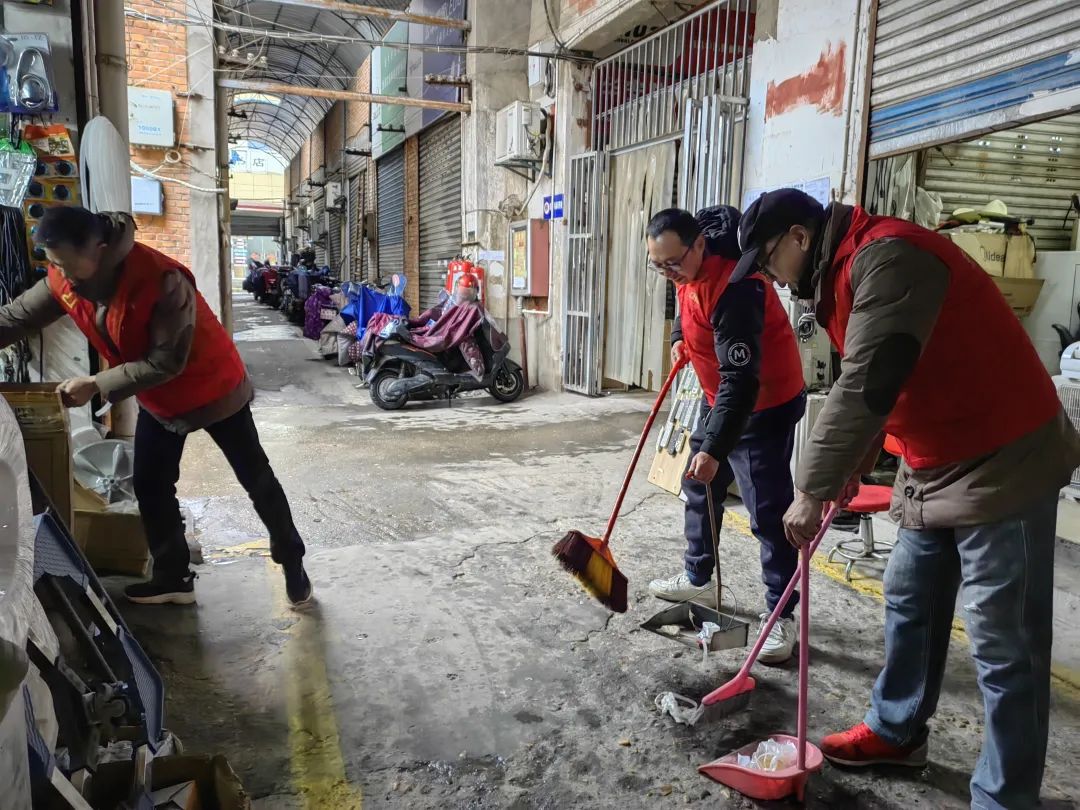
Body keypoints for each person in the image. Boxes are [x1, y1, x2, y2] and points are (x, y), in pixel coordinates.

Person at [730, 188, 1080, 808]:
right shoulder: (840, 272)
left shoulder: (890, 256)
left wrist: (809, 489)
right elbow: (882, 383)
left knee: (1005, 646)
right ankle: (897, 731)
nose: (769, 278)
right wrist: (856, 461)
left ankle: (1005, 796)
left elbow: (871, 375)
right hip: (935, 460)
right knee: (909, 599)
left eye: (765, 261)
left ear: (799, 238)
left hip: (1004, 455)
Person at [0, 206, 312, 607]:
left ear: (98, 247)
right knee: (150, 484)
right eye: (52, 263)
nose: (58, 272)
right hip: (159, 399)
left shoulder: (160, 278)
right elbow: (18, 317)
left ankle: (293, 562)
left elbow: (166, 362)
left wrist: (97, 384)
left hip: (213, 387)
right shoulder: (66, 278)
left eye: (64, 261)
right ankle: (173, 577)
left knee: (256, 478)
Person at [645, 207, 807, 664]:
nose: (666, 272)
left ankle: (782, 615)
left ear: (699, 246)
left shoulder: (737, 288)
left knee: (769, 514)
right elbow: (684, 299)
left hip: (762, 404)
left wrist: (715, 447)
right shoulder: (684, 268)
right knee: (699, 486)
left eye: (672, 263)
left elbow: (742, 380)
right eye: (657, 264)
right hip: (720, 395)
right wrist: (682, 335)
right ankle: (697, 575)